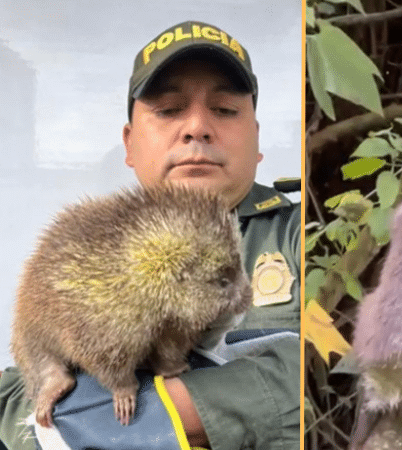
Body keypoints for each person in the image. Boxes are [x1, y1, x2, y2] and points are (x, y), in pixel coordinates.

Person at [0, 20, 300, 450]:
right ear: (128, 144)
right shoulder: (87, 245)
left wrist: (160, 414)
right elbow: (12, 396)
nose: (197, 127)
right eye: (169, 109)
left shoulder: (303, 232)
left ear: (257, 139)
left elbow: (318, 372)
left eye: (226, 110)